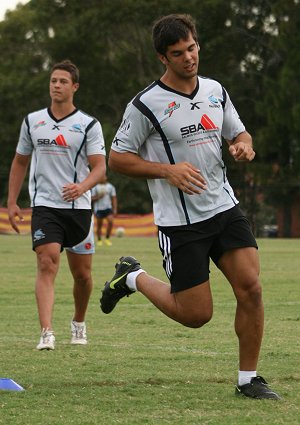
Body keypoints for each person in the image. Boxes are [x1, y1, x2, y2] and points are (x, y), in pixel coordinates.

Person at [100, 14, 280, 399]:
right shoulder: (145, 105)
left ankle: (248, 379)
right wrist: (166, 171)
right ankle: (132, 276)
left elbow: (239, 130)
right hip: (181, 222)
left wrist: (243, 144)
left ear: (198, 43)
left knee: (251, 288)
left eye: (192, 48)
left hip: (225, 208)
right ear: (163, 58)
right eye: (178, 53)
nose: (189, 58)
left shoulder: (216, 90)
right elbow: (116, 159)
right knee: (196, 315)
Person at [7, 60, 106, 350]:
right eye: (53, 81)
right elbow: (20, 161)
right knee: (47, 261)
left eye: (63, 81)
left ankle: (78, 322)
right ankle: (46, 333)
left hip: (79, 209)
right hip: (45, 207)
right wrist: (12, 202)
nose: (56, 85)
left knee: (83, 275)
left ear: (74, 87)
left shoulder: (88, 125)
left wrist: (82, 187)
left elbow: (100, 167)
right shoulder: (32, 121)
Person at [91, 178, 117, 246]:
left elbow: (114, 198)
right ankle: (99, 240)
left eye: (104, 176)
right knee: (99, 226)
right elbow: (91, 198)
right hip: (99, 209)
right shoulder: (95, 187)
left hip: (108, 208)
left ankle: (107, 238)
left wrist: (114, 209)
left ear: (106, 178)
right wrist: (99, 197)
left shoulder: (110, 187)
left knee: (111, 222)